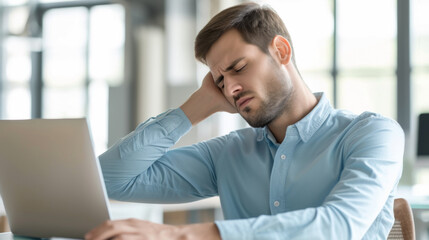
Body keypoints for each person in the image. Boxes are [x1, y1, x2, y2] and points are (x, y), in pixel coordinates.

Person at [85, 2, 404, 240]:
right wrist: (194, 108)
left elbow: (339, 225)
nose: (231, 88)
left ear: (280, 50)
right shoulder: (227, 154)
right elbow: (110, 179)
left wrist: (181, 234)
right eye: (219, 80)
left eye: (238, 67)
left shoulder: (373, 133)